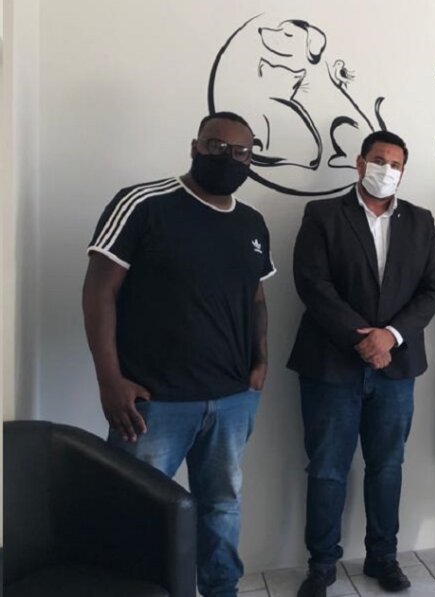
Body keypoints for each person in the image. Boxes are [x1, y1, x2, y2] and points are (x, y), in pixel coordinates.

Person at [82, 111, 274, 597]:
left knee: (222, 508)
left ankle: (222, 591)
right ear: (194, 147)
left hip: (231, 399)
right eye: (216, 147)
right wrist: (109, 380)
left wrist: (261, 361)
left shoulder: (251, 222)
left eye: (241, 152)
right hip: (154, 402)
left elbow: (256, 298)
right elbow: (99, 291)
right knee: (133, 512)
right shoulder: (144, 203)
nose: (228, 158)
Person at [288, 130, 435, 595]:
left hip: (396, 368)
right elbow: (312, 283)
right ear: (360, 164)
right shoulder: (322, 214)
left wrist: (390, 336)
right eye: (379, 160)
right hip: (330, 365)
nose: (387, 170)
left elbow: (433, 288)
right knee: (327, 468)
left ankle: (383, 558)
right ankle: (322, 565)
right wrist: (363, 338)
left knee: (388, 466)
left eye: (396, 164)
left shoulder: (421, 221)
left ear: (403, 171)